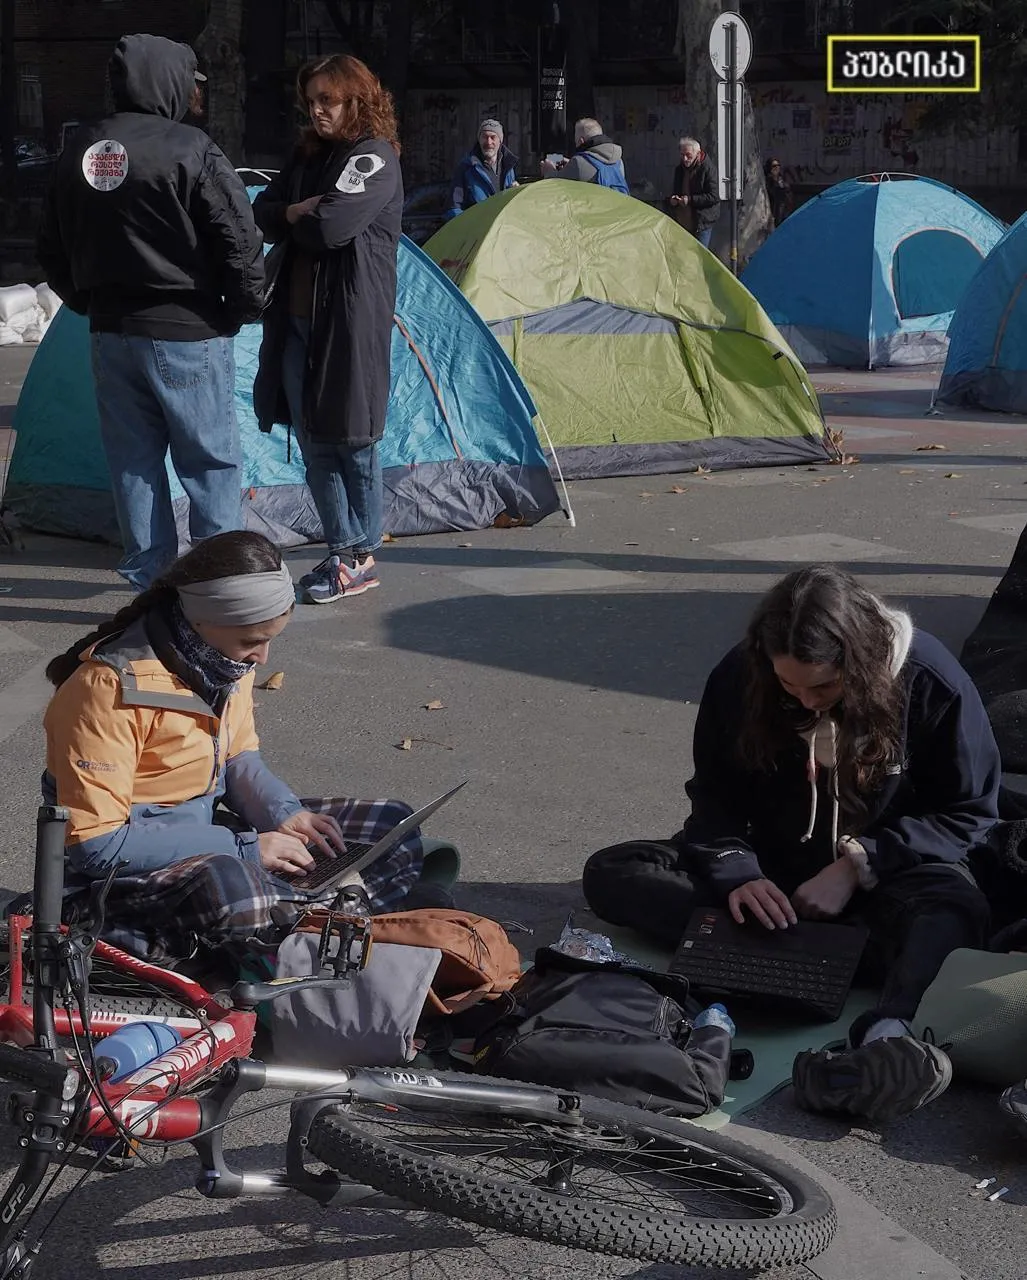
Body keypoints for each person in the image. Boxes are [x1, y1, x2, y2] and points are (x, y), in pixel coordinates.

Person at [583, 565, 1000, 1122]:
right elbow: (714, 798)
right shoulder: (739, 675)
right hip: (772, 869)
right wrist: (738, 873)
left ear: (865, 660)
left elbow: (968, 811)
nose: (807, 702)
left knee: (953, 910)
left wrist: (858, 865)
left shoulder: (931, 679)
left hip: (886, 874)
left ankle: (882, 1037)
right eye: (790, 686)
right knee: (615, 871)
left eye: (825, 686)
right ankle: (829, 953)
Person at [42, 531, 433, 966]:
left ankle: (307, 922)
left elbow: (238, 759)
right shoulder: (104, 689)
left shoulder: (225, 661)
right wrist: (248, 848)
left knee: (394, 826)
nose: (262, 659)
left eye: (270, 640)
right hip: (117, 874)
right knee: (238, 895)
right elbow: (98, 847)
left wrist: (285, 815)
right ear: (203, 621)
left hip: (211, 840)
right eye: (252, 642)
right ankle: (318, 922)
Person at [36, 33, 264, 591]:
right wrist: (243, 307)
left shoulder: (81, 149)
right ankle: (219, 587)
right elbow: (239, 240)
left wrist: (89, 301)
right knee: (209, 461)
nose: (196, 93)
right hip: (186, 327)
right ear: (171, 83)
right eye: (191, 84)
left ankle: (148, 586)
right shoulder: (190, 147)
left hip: (111, 331)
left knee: (133, 464)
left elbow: (51, 247)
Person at [252, 55, 403, 606]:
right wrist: (296, 209)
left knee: (354, 442)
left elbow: (333, 228)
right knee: (315, 443)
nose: (317, 109)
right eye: (311, 99)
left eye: (328, 100)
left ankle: (360, 555)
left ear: (356, 101)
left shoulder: (374, 158)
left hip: (348, 323)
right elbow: (264, 212)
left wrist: (300, 216)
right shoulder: (307, 155)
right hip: (294, 322)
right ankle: (343, 551)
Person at [446, 119, 518, 218]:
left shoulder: (508, 166)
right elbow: (453, 208)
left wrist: (515, 193)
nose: (489, 142)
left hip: (502, 228)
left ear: (500, 141)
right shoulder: (466, 168)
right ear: (479, 139)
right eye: (485, 137)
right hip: (476, 229)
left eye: (493, 137)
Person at [540, 118, 628, 193]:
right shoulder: (619, 162)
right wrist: (572, 163)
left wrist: (549, 171)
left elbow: (556, 186)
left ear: (581, 141)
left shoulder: (578, 163)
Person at [666, 137, 720, 249]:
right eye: (682, 155)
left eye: (688, 155)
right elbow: (676, 191)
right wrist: (673, 200)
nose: (685, 159)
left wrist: (690, 200)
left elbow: (713, 196)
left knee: (699, 256)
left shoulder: (708, 169)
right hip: (683, 222)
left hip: (701, 223)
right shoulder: (679, 170)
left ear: (698, 153)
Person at [764, 157, 793, 227]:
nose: (777, 167)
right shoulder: (768, 181)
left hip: (785, 210)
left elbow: (788, 192)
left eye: (778, 165)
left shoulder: (782, 179)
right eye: (774, 166)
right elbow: (772, 193)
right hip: (774, 211)